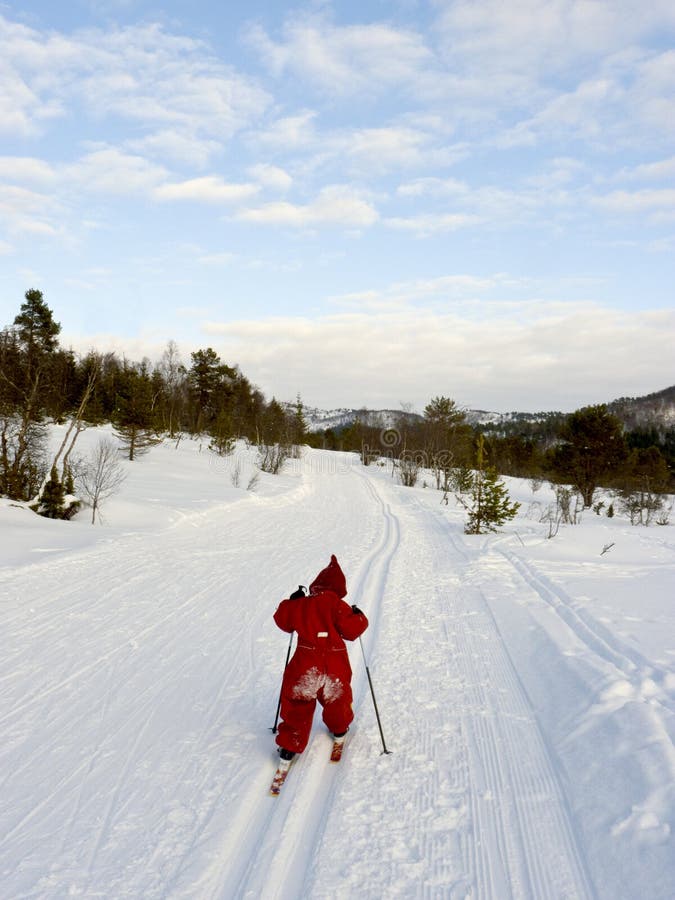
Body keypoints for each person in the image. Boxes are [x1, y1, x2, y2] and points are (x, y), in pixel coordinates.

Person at [273, 554, 368, 762]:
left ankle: (289, 746)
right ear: (339, 589)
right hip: (334, 667)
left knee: (298, 703)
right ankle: (340, 729)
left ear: (316, 585)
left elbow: (281, 618)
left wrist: (293, 600)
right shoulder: (338, 606)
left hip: (305, 667)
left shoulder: (302, 605)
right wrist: (358, 615)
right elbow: (354, 629)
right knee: (337, 699)